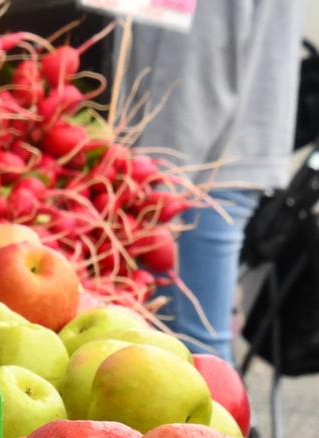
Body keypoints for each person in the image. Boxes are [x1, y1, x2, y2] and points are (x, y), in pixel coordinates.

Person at [122, 0, 303, 363]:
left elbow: (200, 56)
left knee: (194, 350)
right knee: (191, 346)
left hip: (196, 167)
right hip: (204, 157)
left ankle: (222, 421)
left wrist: (162, 182)